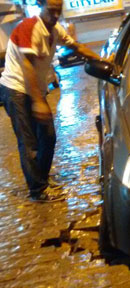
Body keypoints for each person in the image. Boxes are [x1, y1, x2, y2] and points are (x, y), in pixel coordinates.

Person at [0, 0, 102, 203]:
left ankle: (41, 179)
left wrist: (101, 60)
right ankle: (38, 191)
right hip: (16, 90)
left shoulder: (54, 29)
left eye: (58, 10)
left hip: (35, 89)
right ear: (42, 6)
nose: (55, 14)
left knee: (48, 136)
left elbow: (76, 47)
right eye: (51, 9)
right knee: (29, 142)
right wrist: (38, 101)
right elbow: (28, 66)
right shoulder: (29, 27)